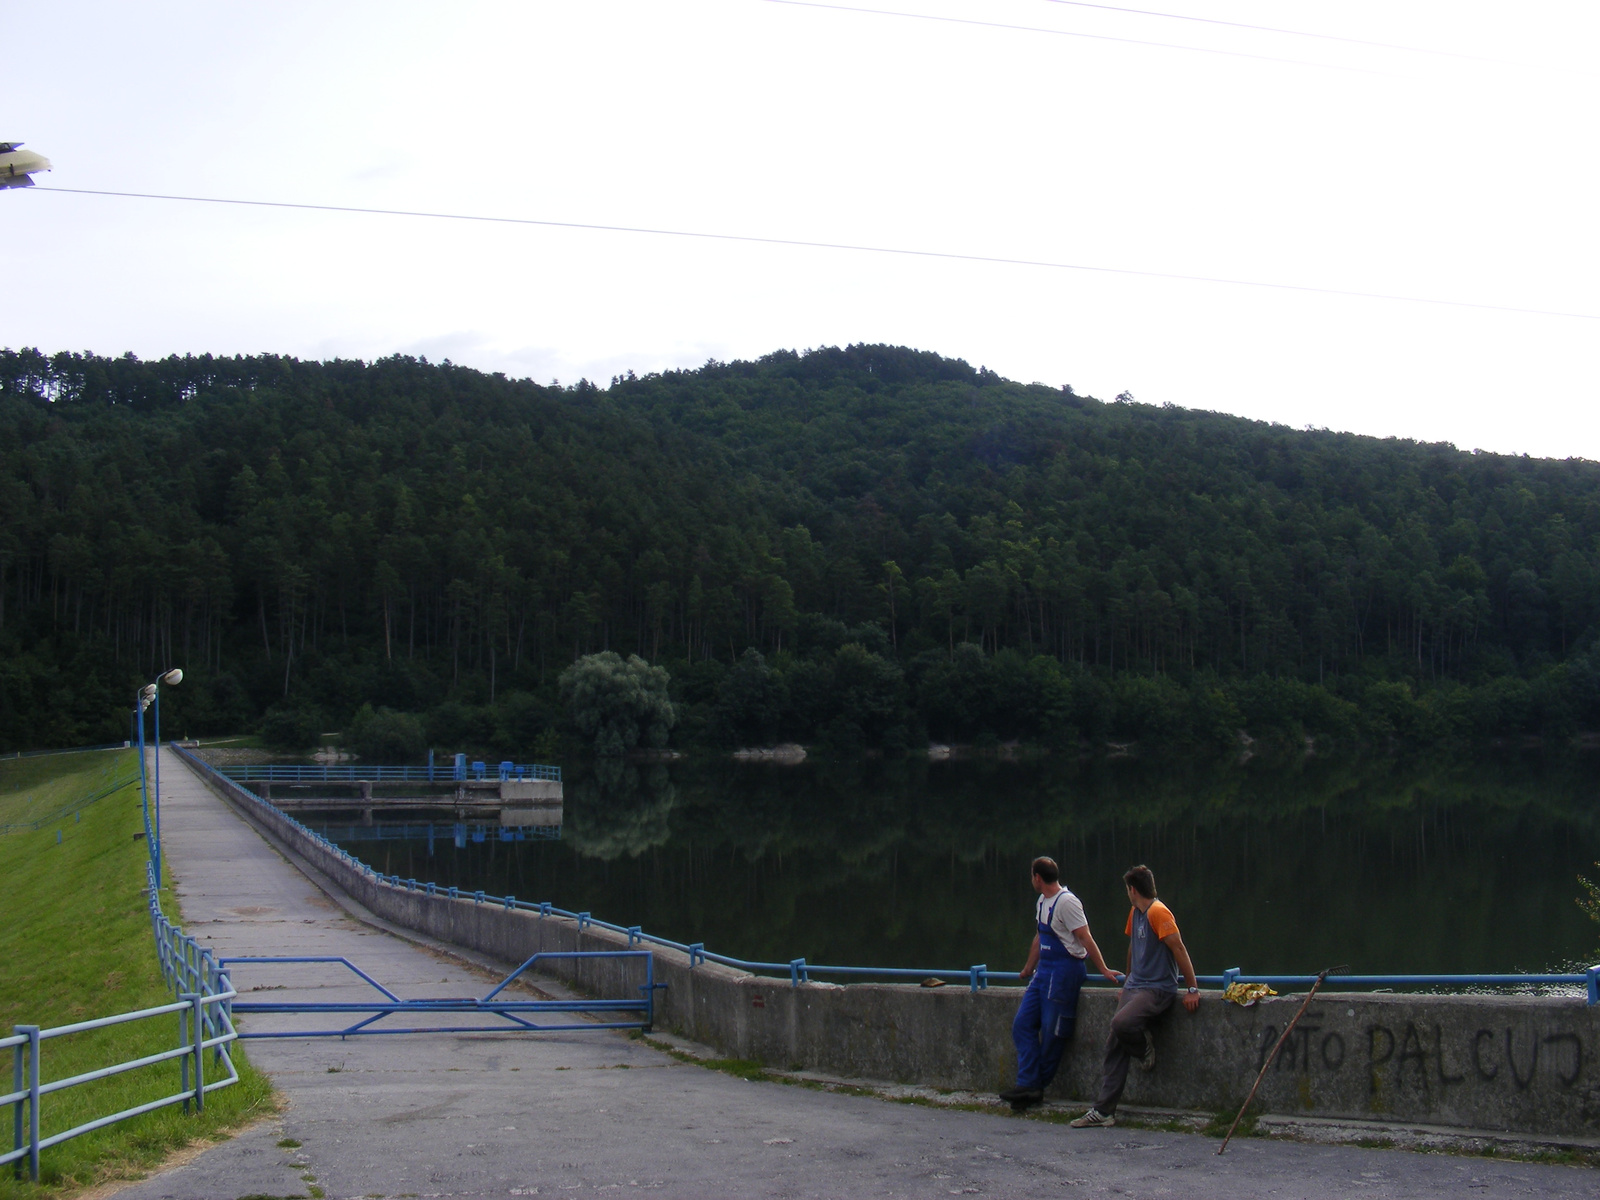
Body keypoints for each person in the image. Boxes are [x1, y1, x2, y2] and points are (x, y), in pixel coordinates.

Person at [1070, 864, 1200, 1129]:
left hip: (1157, 989)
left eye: (1127, 889)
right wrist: (1127, 981)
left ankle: (1144, 1048)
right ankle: (1104, 1111)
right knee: (1114, 1042)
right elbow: (1133, 947)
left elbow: (1179, 948)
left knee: (1121, 1024)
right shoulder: (1136, 912)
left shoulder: (1158, 912)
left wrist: (1192, 988)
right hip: (1136, 986)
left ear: (1133, 889)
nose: (1127, 894)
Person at [997, 856, 1120, 1110]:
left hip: (1065, 971)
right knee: (1022, 1024)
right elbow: (1039, 936)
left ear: (1037, 878)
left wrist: (1103, 969)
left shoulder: (1067, 903)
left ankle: (1033, 1087)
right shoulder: (1042, 901)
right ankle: (1028, 1083)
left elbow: (1085, 938)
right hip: (1044, 971)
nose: (1032, 880)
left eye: (1032, 876)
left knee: (1055, 1032)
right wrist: (1029, 966)